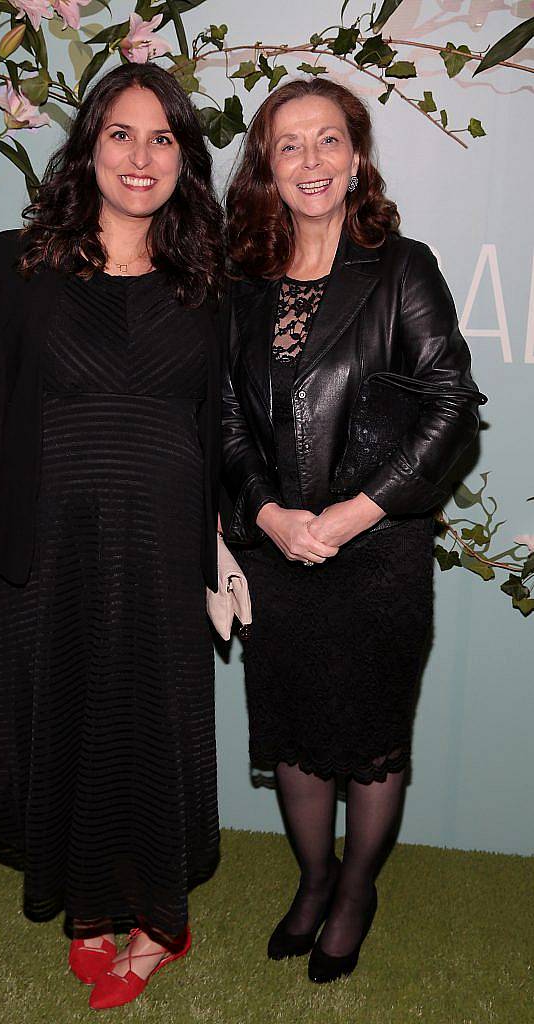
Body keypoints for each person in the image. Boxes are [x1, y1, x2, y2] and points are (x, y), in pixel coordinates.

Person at [0, 62, 224, 1010]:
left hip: (163, 547)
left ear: (184, 158)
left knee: (148, 722)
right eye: (121, 134)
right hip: (49, 543)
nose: (140, 158)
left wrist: (230, 547)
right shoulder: (24, 260)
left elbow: (225, 424)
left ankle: (155, 924)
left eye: (163, 139)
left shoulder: (210, 275)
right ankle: (89, 911)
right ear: (89, 146)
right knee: (65, 713)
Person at [222, 76, 486, 985]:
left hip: (377, 551)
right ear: (266, 163)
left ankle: (358, 892)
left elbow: (453, 404)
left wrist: (357, 510)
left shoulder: (402, 266)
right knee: (296, 736)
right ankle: (314, 878)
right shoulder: (243, 279)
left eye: (327, 140)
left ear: (357, 153)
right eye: (288, 144)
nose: (310, 161)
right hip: (278, 552)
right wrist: (265, 515)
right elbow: (221, 414)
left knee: (370, 740)